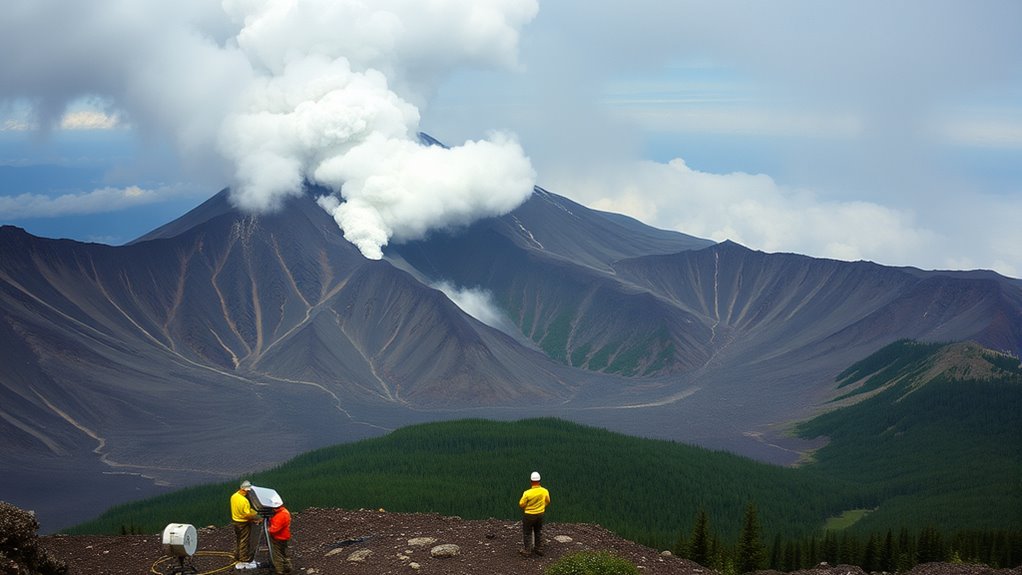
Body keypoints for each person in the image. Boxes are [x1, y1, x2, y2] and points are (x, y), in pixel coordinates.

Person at [518, 471, 551, 557]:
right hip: (540, 514)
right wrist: (541, 507)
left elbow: (521, 504)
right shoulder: (544, 491)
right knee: (538, 531)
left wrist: (527, 507)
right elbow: (548, 501)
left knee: (527, 532)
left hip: (529, 515)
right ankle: (538, 548)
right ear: (539, 481)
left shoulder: (527, 493)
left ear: (531, 481)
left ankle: (527, 550)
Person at [230, 480, 261, 569]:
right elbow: (247, 514)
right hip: (243, 523)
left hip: (235, 521)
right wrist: (256, 518)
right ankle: (243, 559)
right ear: (244, 490)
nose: (248, 492)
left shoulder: (234, 496)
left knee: (239, 539)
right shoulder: (244, 501)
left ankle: (237, 555)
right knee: (244, 540)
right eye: (248, 490)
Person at [266, 495, 292, 575]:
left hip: (278, 537)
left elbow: (274, 530)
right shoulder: (284, 511)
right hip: (285, 536)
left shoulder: (280, 516)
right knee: (283, 552)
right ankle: (287, 568)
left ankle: (280, 571)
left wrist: (268, 529)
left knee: (277, 555)